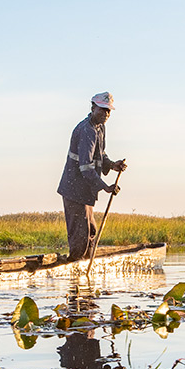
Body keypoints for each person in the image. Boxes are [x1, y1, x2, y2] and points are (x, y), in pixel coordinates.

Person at [56, 92, 127, 261]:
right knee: (80, 235)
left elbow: (100, 154)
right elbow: (86, 168)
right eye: (102, 110)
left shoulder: (100, 128)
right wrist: (105, 186)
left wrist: (111, 164)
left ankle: (86, 268)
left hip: (85, 190)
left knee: (91, 231)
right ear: (93, 108)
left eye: (108, 111)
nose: (106, 114)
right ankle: (75, 267)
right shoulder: (85, 130)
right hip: (74, 189)